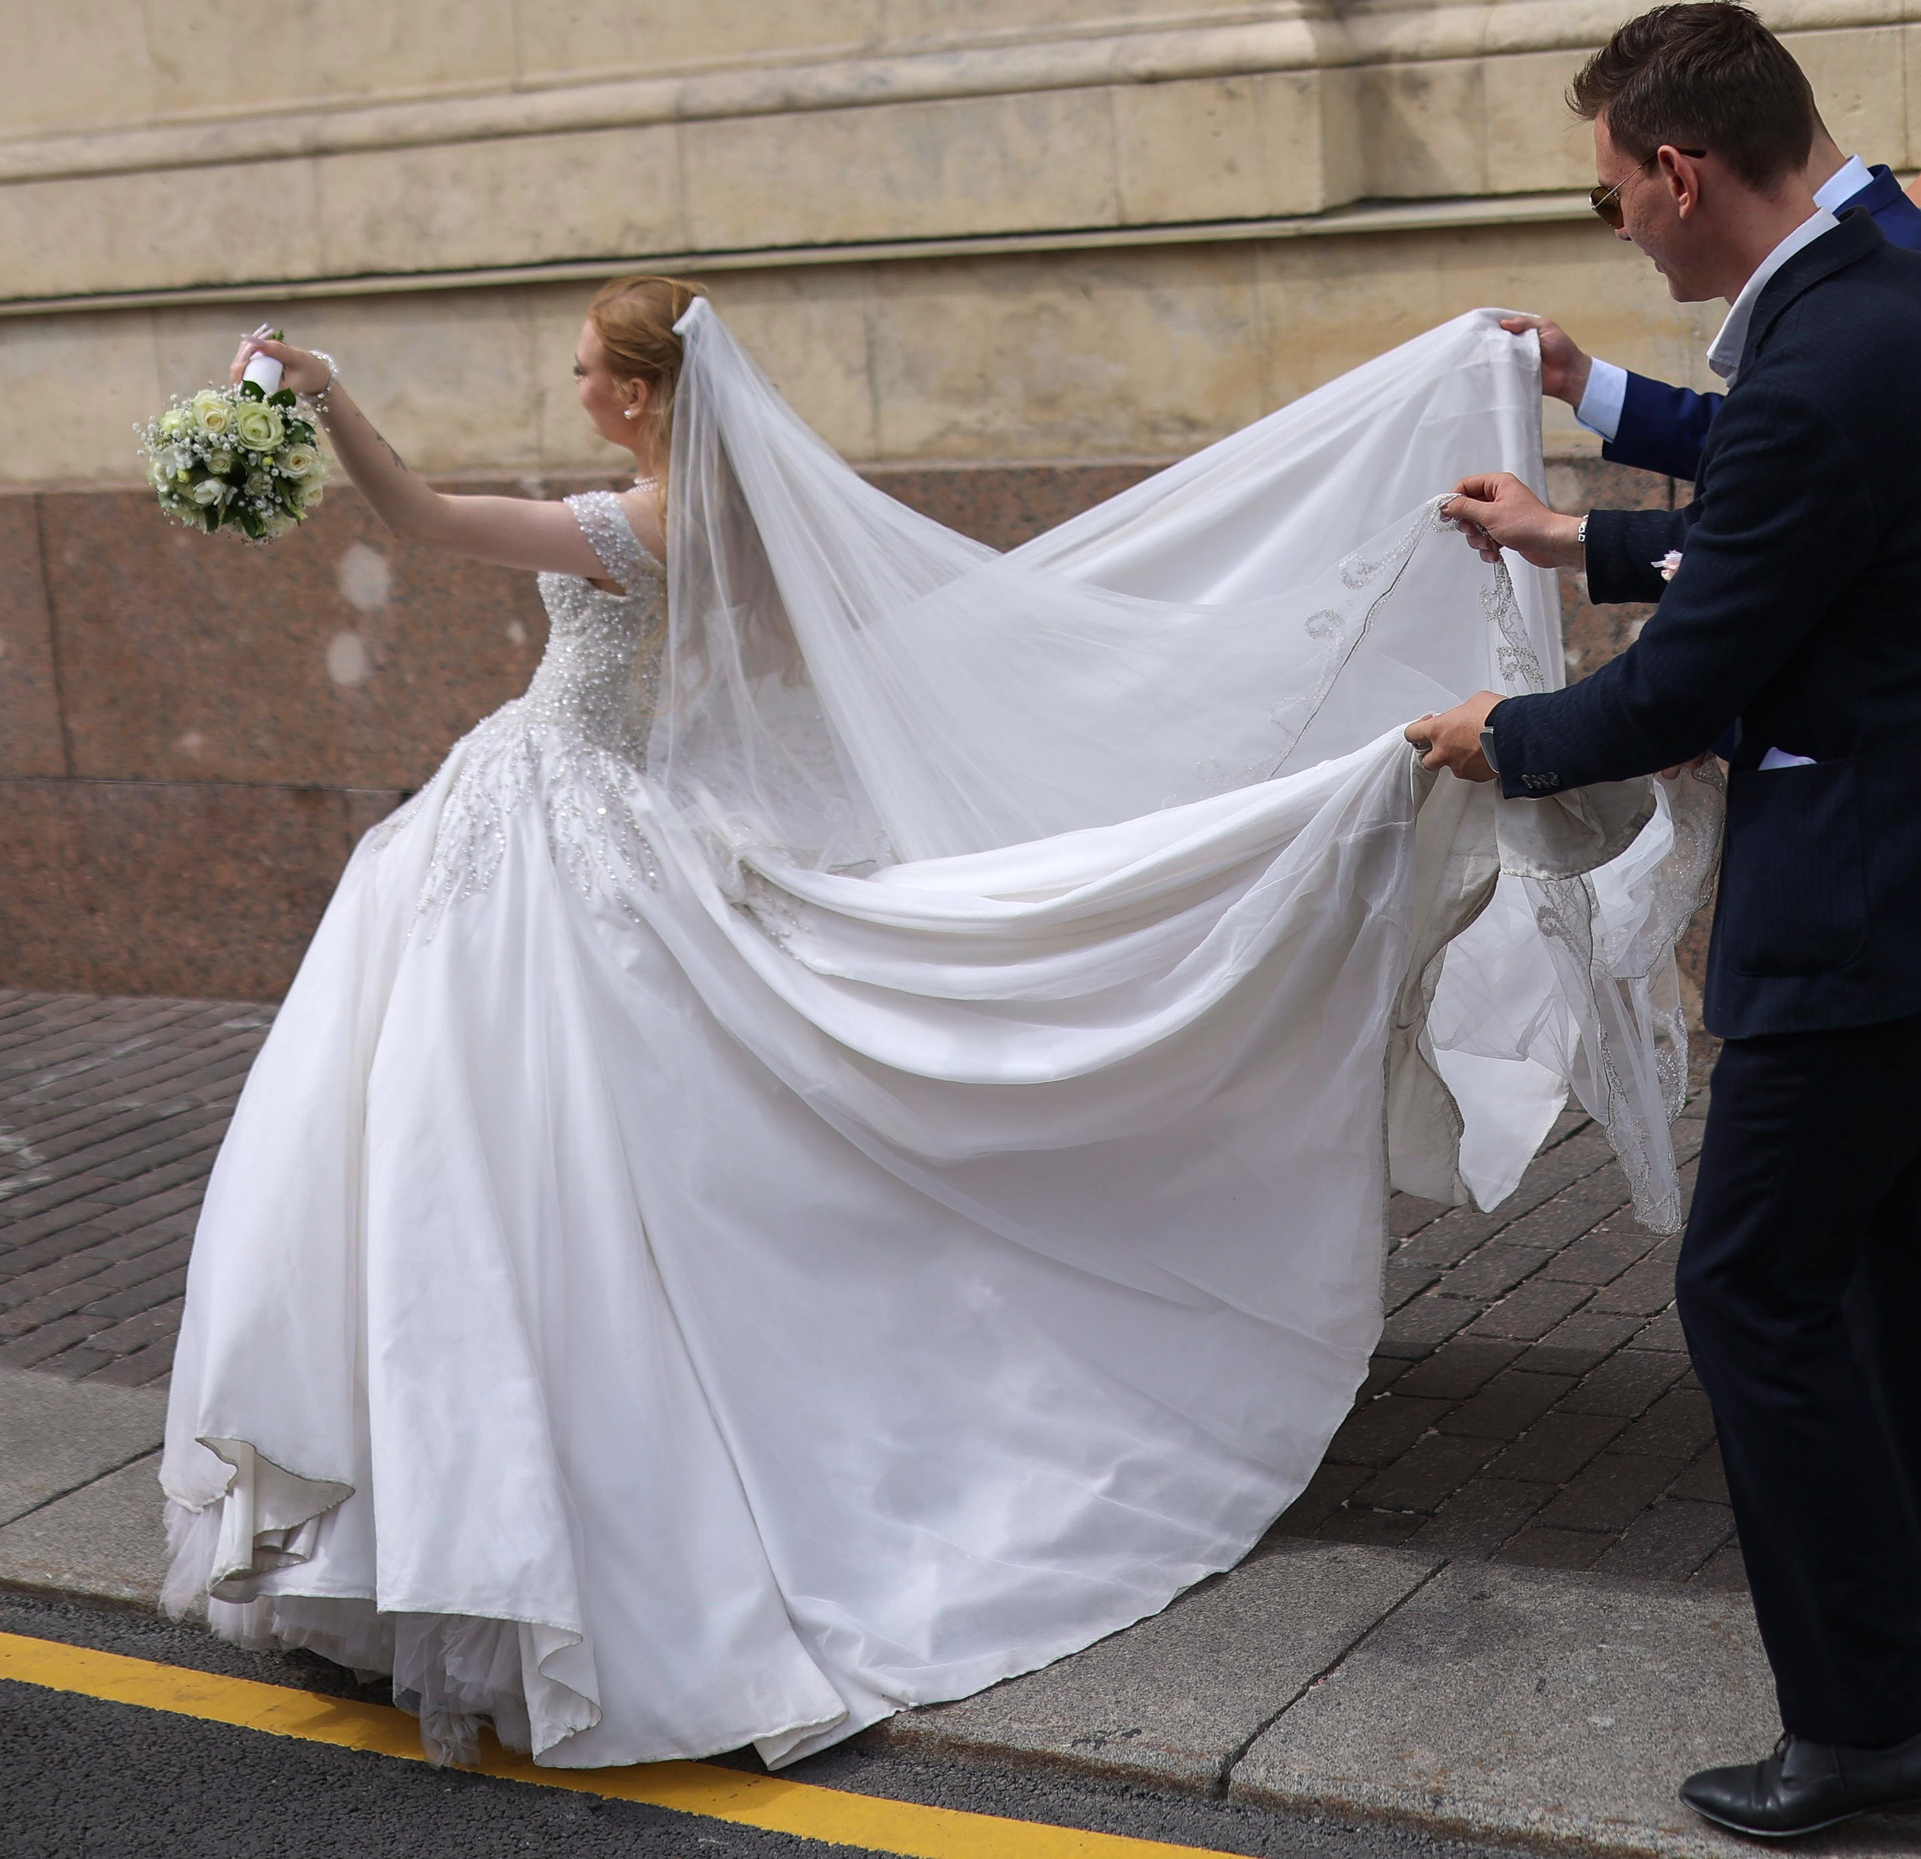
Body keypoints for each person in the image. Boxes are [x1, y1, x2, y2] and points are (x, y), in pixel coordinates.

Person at [158, 277, 1698, 1770]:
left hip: (556, 822)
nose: (572, 390)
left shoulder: (625, 524)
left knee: (496, 1148)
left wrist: (327, 398)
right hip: (618, 816)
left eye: (583, 370)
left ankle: (511, 1481)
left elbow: (416, 519)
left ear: (635, 392)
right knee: (602, 1138)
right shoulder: (734, 524)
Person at [1408, 0, 1921, 1838]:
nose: (1614, 218)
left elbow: (1693, 671)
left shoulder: (1831, 349)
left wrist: (1505, 738)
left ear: (1682, 171)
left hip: (1857, 907)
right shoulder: (1886, 267)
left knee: (1747, 1288)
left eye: (1611, 185)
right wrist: (1586, 470)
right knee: (1870, 1282)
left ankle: (1862, 1727)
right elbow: (1809, 507)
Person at [1500, 120, 1921, 483]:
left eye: (1615, 197)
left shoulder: (1885, 263)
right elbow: (1773, 442)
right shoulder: (1851, 255)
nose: (1623, 229)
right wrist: (1580, 381)